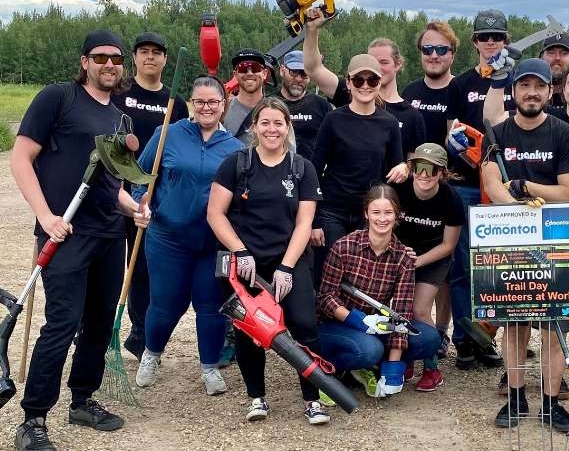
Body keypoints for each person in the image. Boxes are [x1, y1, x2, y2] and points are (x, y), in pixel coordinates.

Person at [9, 30, 145, 451]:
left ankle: (82, 399)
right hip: (64, 232)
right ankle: (33, 419)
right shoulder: (58, 98)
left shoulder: (120, 119)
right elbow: (20, 157)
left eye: (116, 59)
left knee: (101, 322)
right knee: (63, 323)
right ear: (85, 61)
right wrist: (44, 216)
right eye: (100, 57)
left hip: (108, 234)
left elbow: (113, 185)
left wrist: (133, 209)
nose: (109, 65)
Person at [207, 97, 331, 425]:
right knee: (251, 331)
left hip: (288, 260)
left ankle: (312, 399)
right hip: (247, 263)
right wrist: (239, 250)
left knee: (304, 324)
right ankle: (257, 397)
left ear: (287, 127)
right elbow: (215, 214)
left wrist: (288, 267)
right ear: (254, 127)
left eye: (278, 123)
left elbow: (305, 223)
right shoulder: (237, 164)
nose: (271, 129)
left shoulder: (301, 168)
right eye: (265, 122)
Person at [480, 58, 569, 432]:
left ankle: (551, 403)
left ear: (549, 91)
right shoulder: (498, 135)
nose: (532, 93)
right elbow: (493, 186)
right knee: (515, 325)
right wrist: (519, 211)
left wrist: (529, 189)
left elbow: (568, 191)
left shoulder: (563, 134)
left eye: (539, 86)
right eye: (524, 86)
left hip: (556, 239)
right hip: (510, 238)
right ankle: (517, 398)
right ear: (514, 91)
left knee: (553, 326)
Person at [130, 77, 244, 396]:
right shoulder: (168, 132)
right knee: (166, 303)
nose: (207, 108)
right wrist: (142, 204)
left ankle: (209, 367)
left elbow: (241, 198)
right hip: (168, 237)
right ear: (191, 105)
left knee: (210, 306)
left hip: (212, 243)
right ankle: (151, 355)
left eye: (213, 102)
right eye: (200, 102)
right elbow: (141, 176)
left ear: (224, 105)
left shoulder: (235, 149)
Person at [316, 184, 442, 397]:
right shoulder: (344, 247)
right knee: (369, 350)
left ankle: (376, 367)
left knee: (428, 338)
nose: (382, 219)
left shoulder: (403, 258)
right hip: (336, 323)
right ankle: (332, 369)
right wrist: (358, 321)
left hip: (375, 326)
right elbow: (326, 298)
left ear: (397, 215)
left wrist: (393, 368)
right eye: (376, 212)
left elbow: (401, 315)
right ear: (366, 214)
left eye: (388, 213)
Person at [111, 31, 189, 360]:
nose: (150, 57)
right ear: (134, 57)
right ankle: (92, 325)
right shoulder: (119, 94)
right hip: (116, 191)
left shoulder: (175, 102)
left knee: (143, 265)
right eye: (144, 51)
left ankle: (141, 329)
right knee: (111, 262)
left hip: (153, 197)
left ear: (165, 60)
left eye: (157, 53)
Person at [444, 8, 511, 370]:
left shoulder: (516, 79)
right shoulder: (462, 83)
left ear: (506, 40)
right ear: (474, 42)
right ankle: (464, 339)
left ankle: (488, 335)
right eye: (485, 38)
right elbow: (452, 129)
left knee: (498, 267)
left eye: (497, 37)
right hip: (468, 184)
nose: (491, 43)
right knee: (463, 266)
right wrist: (458, 146)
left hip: (505, 188)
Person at [309, 54, 409, 286]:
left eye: (372, 80)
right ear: (349, 82)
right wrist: (313, 221)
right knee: (328, 277)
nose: (365, 86)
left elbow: (396, 166)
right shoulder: (333, 119)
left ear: (380, 82)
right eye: (359, 80)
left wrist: (404, 167)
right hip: (332, 210)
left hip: (369, 213)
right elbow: (313, 168)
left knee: (361, 279)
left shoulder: (389, 123)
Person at [302, 7, 426, 156]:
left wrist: (405, 168)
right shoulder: (351, 92)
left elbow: (415, 164)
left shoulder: (412, 116)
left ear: (398, 64)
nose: (377, 67)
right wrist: (312, 30)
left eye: (384, 62)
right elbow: (313, 68)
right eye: (372, 61)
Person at [393, 143, 463, 391]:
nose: (424, 174)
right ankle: (408, 356)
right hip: (400, 252)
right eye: (419, 167)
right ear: (411, 169)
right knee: (397, 309)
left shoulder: (451, 199)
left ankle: (432, 368)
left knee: (420, 310)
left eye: (432, 169)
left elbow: (448, 245)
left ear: (442, 173)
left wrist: (417, 261)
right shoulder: (397, 189)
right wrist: (400, 254)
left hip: (433, 256)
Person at [403, 20, 460, 146]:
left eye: (441, 50)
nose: (434, 55)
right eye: (427, 49)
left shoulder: (463, 92)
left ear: (453, 55)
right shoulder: (408, 92)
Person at [277, 50, 332, 159]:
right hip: (275, 172)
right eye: (294, 72)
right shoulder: (269, 104)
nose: (298, 79)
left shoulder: (321, 106)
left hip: (311, 173)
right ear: (282, 70)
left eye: (304, 74)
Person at [222, 48, 272, 142]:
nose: (249, 73)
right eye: (243, 68)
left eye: (255, 68)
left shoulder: (277, 111)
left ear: (264, 74)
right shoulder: (223, 109)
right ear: (235, 74)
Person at [539, 30, 569, 108]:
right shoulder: (528, 93)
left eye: (564, 53)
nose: (557, 58)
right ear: (541, 57)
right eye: (551, 52)